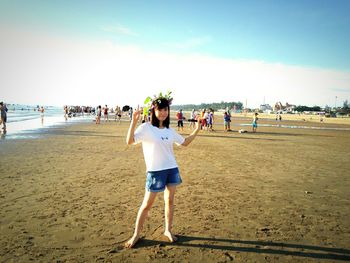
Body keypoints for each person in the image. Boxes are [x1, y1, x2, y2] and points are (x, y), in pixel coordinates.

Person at [125, 94, 201, 248]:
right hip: (155, 172)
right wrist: (133, 122)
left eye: (165, 109)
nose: (163, 112)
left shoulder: (169, 130)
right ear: (154, 110)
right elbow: (130, 141)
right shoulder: (146, 127)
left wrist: (197, 130)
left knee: (170, 201)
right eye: (160, 109)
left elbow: (184, 143)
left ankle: (168, 230)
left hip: (171, 169)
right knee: (146, 205)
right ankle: (136, 235)